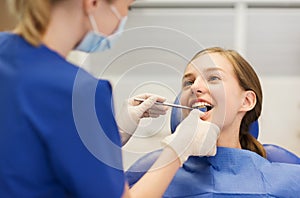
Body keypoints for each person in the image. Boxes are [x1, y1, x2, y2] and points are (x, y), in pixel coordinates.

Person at [0, 0, 221, 197]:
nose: (124, 18)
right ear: (92, 3)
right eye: (127, 7)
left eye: (213, 78)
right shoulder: (77, 92)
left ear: (248, 100)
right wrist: (177, 150)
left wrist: (113, 131)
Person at [126, 47, 300, 197]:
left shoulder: (286, 177)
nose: (194, 87)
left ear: (246, 101)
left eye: (213, 78)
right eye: (189, 82)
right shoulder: (147, 176)